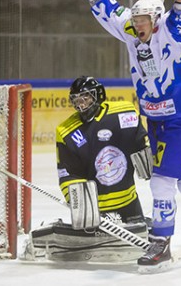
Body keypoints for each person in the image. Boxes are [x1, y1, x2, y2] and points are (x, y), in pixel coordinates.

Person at [65, 0, 181, 272]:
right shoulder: (132, 31)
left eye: (142, 20)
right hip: (155, 120)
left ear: (154, 19)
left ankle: (161, 242)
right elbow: (109, 10)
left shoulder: (171, 34)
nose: (137, 25)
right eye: (135, 20)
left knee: (162, 182)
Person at [24, 76, 152, 262]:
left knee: (145, 243)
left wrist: (148, 160)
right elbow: (69, 173)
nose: (81, 104)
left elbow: (140, 144)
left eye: (85, 98)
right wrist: (82, 206)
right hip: (97, 210)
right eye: (76, 100)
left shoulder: (123, 112)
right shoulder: (67, 132)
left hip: (129, 201)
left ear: (98, 95)